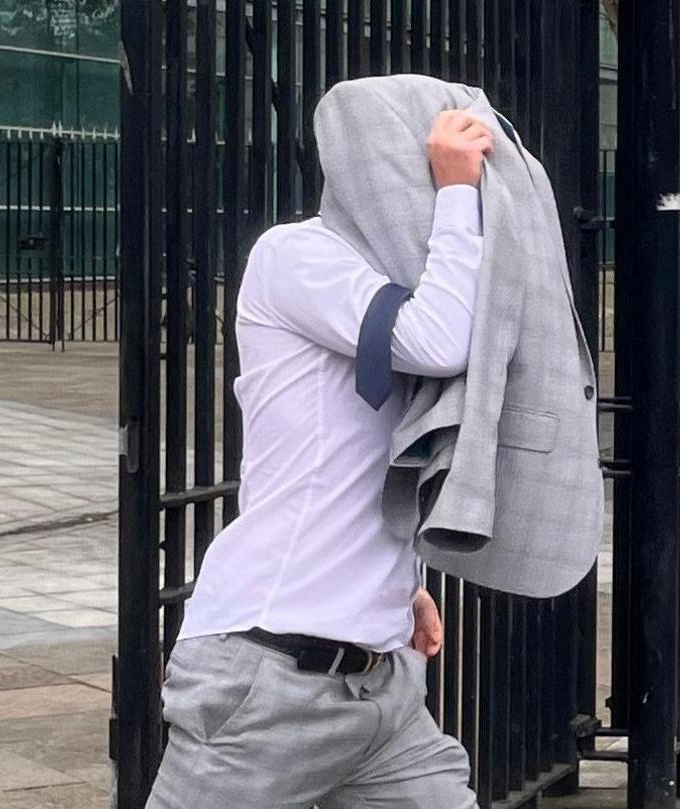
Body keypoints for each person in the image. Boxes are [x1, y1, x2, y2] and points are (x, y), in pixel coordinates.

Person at [144, 108, 496, 809]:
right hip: (269, 680)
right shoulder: (296, 254)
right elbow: (438, 342)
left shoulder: (400, 280)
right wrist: (458, 196)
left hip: (382, 690)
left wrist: (398, 585)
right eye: (426, 173)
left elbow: (373, 455)